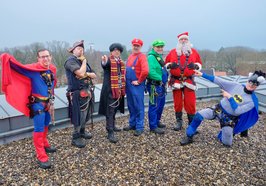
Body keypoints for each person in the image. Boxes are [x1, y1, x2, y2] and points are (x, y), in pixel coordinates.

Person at [1, 50, 57, 169]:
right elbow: (17, 67)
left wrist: (52, 101)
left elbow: (51, 86)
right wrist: (7, 58)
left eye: (47, 56)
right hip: (38, 105)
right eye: (42, 57)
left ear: (51, 57)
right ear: (38, 59)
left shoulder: (52, 69)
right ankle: (41, 155)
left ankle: (45, 143)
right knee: (39, 128)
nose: (45, 59)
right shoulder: (33, 70)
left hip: (48, 103)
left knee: (46, 124)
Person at [180, 70, 265, 147]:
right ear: (248, 80)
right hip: (218, 109)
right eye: (250, 82)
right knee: (199, 115)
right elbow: (219, 81)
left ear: (256, 86)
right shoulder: (236, 85)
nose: (251, 85)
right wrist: (202, 74)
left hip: (229, 118)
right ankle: (189, 135)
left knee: (227, 143)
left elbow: (238, 111)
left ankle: (230, 132)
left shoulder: (251, 102)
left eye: (254, 84)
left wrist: (229, 97)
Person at [165, 32, 202, 131]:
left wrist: (195, 66)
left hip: (188, 80)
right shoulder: (173, 52)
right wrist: (170, 65)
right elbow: (166, 63)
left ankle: (191, 123)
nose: (183, 41)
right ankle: (179, 121)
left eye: (185, 39)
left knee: (190, 102)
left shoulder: (193, 52)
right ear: (179, 41)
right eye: (182, 39)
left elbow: (199, 63)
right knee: (177, 102)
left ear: (188, 40)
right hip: (176, 80)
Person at [65, 40, 96, 148]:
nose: (81, 50)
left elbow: (94, 75)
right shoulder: (71, 61)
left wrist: (86, 73)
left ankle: (82, 131)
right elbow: (80, 73)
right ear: (73, 50)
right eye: (78, 48)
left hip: (87, 91)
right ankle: (76, 137)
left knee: (86, 114)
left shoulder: (83, 61)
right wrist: (83, 64)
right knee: (79, 116)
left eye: (82, 49)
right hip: (77, 93)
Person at [98, 43, 125, 143]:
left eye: (118, 50)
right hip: (110, 90)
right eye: (114, 50)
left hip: (118, 88)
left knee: (114, 109)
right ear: (111, 52)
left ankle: (113, 126)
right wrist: (104, 61)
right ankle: (110, 132)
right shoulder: (109, 60)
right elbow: (105, 64)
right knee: (110, 110)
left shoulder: (121, 62)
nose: (116, 52)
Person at [123, 38, 149, 136]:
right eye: (134, 45)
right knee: (131, 105)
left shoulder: (142, 57)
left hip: (137, 85)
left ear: (140, 47)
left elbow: (145, 71)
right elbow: (126, 69)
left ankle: (139, 126)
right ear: (132, 46)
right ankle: (132, 124)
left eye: (138, 46)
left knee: (138, 106)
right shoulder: (130, 57)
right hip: (129, 85)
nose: (136, 47)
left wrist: (139, 81)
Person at [146, 40, 169, 134]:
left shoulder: (158, 57)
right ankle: (153, 126)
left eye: (161, 47)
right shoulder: (151, 57)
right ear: (153, 47)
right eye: (158, 47)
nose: (160, 48)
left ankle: (157, 121)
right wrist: (160, 79)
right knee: (153, 105)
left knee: (160, 104)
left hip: (161, 85)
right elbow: (150, 71)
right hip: (154, 85)